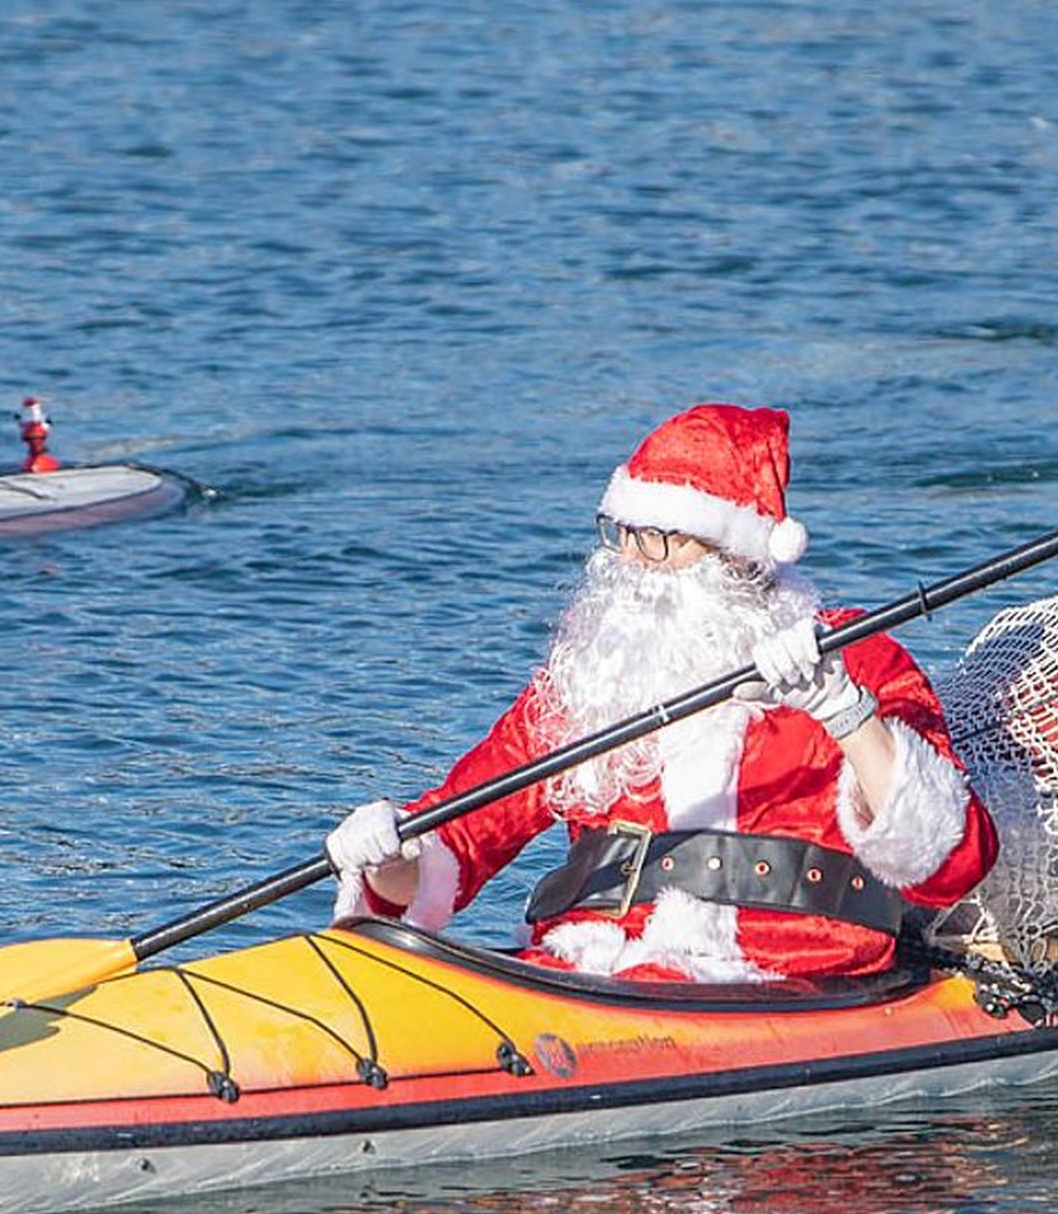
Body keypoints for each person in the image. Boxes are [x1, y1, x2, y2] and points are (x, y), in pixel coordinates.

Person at [326, 404, 995, 986]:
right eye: (622, 533)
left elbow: (950, 862)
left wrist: (844, 711)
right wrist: (391, 855)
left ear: (737, 555)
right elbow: (462, 837)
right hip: (589, 973)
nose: (631, 562)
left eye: (658, 539)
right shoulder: (589, 676)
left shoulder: (853, 657)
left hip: (779, 978)